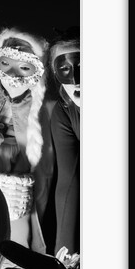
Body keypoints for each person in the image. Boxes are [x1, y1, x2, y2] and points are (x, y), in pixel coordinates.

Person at [0, 26, 56, 267]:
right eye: (7, 63)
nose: (14, 75)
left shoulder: (43, 107)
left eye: (25, 67)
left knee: (15, 252)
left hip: (19, 192)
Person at [48, 26, 80, 256]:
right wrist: (65, 251)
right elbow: (69, 179)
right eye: (65, 68)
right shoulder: (63, 110)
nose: (76, 78)